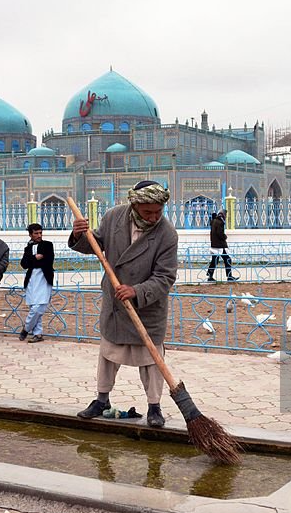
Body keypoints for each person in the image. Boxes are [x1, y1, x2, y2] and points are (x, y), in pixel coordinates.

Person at [70, 180, 178, 428]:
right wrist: (79, 234)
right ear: (134, 205)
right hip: (116, 305)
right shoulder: (114, 217)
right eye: (147, 212)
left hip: (145, 307)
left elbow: (165, 277)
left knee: (151, 360)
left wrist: (137, 291)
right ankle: (101, 400)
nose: (153, 217)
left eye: (158, 212)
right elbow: (95, 245)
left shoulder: (167, 234)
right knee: (108, 354)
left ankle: (154, 407)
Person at [19, 222, 54, 343]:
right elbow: (24, 264)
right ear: (30, 235)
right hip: (31, 280)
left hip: (44, 278)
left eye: (40, 233)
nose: (39, 235)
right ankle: (37, 334)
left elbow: (48, 261)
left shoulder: (48, 245)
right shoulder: (28, 248)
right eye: (36, 233)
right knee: (34, 306)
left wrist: (32, 261)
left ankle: (26, 328)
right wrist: (35, 258)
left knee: (40, 306)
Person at [206, 209, 236, 282]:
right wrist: (224, 237)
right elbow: (220, 233)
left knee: (214, 260)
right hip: (220, 245)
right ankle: (229, 276)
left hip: (214, 244)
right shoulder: (220, 222)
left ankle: (210, 275)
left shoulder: (214, 221)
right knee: (227, 259)